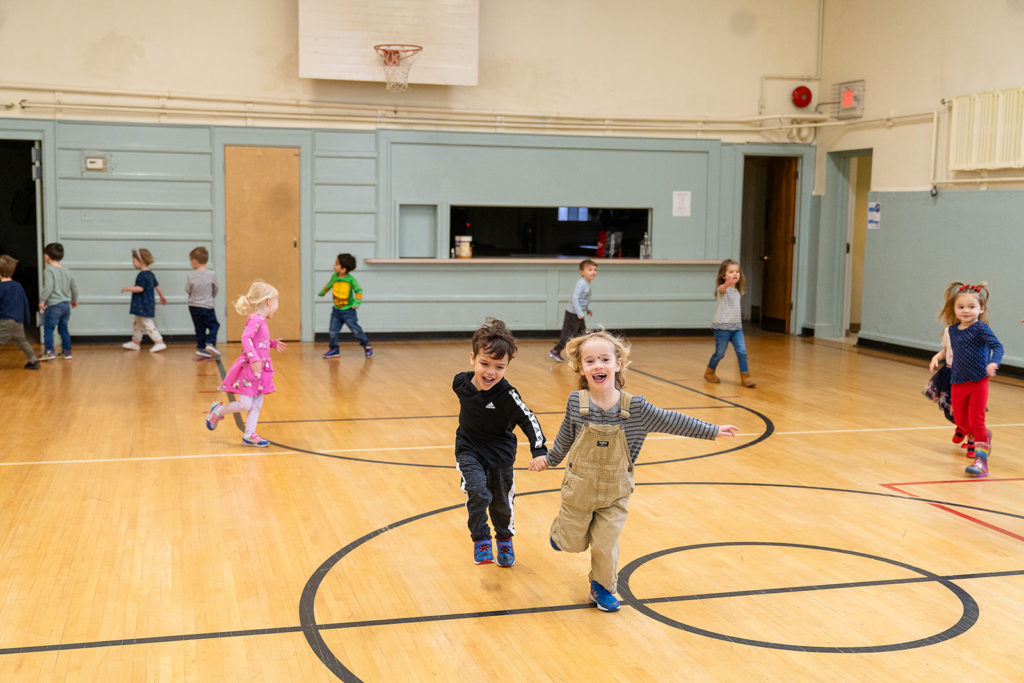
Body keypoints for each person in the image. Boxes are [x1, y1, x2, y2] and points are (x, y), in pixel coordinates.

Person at [530, 329, 738, 612]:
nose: (598, 365)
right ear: (580, 367)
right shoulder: (575, 403)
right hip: (578, 490)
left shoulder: (636, 409)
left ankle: (602, 588)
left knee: (605, 545)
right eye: (590, 361)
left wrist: (712, 430)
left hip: (615, 494)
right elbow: (565, 438)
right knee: (571, 544)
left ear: (618, 364)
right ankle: (561, 534)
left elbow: (673, 420)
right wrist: (548, 460)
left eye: (604, 359)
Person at [453, 319, 547, 567]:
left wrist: (539, 450)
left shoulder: (507, 395)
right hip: (469, 450)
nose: (490, 372)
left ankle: (504, 539)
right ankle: (481, 540)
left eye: (499, 367)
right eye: (484, 364)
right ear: (472, 358)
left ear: (507, 366)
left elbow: (529, 419)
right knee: (477, 492)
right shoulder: (460, 383)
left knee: (501, 504)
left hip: (501, 456)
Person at [928, 282, 1003, 478]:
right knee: (961, 421)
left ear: (981, 309)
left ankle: (981, 461)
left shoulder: (981, 329)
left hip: (979, 381)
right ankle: (984, 436)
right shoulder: (952, 331)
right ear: (954, 309)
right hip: (957, 381)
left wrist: (993, 363)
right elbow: (949, 351)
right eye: (961, 307)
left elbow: (998, 347)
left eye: (971, 307)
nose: (966, 311)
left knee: (977, 420)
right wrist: (937, 357)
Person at [205, 280, 287, 447]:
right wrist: (254, 357)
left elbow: (259, 340)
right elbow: (245, 338)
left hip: (261, 369)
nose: (277, 307)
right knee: (245, 404)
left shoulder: (262, 320)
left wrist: (271, 343)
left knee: (256, 404)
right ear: (269, 301)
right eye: (277, 302)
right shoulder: (255, 319)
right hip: (250, 369)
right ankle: (217, 411)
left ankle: (249, 435)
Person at [704, 259, 754, 387]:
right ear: (724, 275)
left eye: (737, 272)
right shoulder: (722, 289)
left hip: (737, 328)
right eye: (731, 272)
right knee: (720, 353)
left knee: (742, 352)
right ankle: (710, 372)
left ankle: (745, 377)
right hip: (723, 328)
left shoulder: (737, 291)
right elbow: (723, 289)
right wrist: (727, 283)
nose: (735, 274)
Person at [318, 253, 372, 359]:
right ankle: (334, 349)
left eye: (337, 264)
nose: (334, 265)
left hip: (348, 312)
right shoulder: (334, 277)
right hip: (336, 311)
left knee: (356, 331)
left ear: (343, 269)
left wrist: (356, 303)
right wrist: (323, 292)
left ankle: (367, 345)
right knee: (332, 331)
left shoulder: (350, 280)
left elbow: (358, 291)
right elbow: (329, 285)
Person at [550, 258, 597, 362]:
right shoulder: (581, 283)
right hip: (573, 314)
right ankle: (556, 351)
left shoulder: (587, 283)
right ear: (582, 272)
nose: (593, 272)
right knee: (568, 336)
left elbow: (584, 299)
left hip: (578, 314)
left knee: (583, 334)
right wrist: (579, 312)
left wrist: (588, 308)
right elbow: (574, 298)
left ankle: (581, 354)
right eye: (590, 269)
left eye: (594, 269)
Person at [121, 248, 167, 352]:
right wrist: (162, 296)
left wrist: (128, 288)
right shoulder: (150, 274)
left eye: (134, 261)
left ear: (140, 261)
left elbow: (140, 289)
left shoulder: (142, 275)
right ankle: (136, 342)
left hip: (143, 304)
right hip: (145, 304)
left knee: (147, 323)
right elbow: (157, 286)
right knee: (138, 323)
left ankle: (159, 342)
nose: (133, 263)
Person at [38, 242, 78, 360]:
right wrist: (74, 300)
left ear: (46, 256)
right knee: (63, 328)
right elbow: (74, 287)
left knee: (48, 329)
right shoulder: (67, 270)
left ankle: (49, 352)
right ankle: (67, 352)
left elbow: (48, 287)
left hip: (54, 305)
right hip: (66, 305)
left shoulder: (49, 270)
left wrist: (42, 301)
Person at [0, 254, 40, 369]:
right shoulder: (18, 286)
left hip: (4, 322)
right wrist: (26, 320)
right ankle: (33, 361)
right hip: (18, 322)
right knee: (23, 341)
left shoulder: (1, 288)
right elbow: (25, 304)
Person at [186, 246, 221, 358]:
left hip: (193, 306)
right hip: (207, 306)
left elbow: (187, 289)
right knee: (214, 325)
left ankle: (201, 348)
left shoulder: (191, 275)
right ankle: (210, 343)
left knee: (199, 328)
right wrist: (211, 297)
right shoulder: (211, 274)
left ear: (195, 261)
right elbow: (216, 289)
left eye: (190, 261)